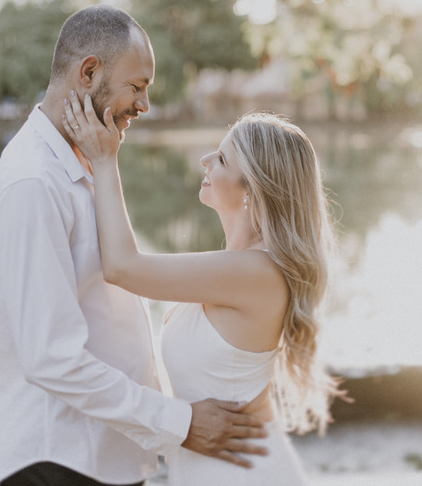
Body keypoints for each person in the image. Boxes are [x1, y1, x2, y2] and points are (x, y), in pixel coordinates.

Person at [0, 5, 268, 486]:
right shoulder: (31, 184)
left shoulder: (86, 164)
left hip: (102, 458)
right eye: (137, 87)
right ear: (89, 72)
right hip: (60, 460)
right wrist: (181, 423)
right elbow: (51, 357)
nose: (145, 105)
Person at [63, 96, 338, 485]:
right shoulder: (239, 265)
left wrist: (106, 161)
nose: (206, 160)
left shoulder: (253, 272)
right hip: (216, 466)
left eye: (223, 159)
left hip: (243, 472)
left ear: (252, 190)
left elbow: (123, 266)